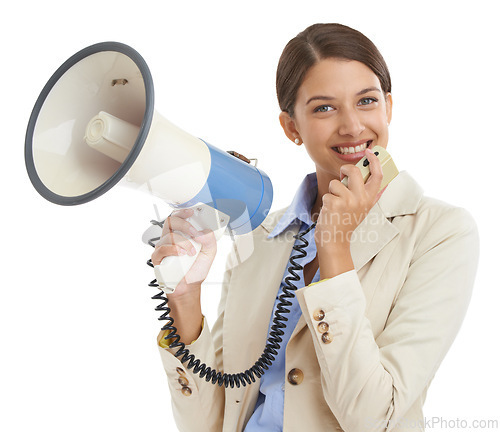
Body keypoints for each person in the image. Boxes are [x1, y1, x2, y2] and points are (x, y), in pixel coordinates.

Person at [151, 23, 479, 432]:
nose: (353, 126)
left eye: (367, 101)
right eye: (324, 107)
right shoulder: (258, 238)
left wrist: (335, 249)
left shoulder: (441, 233)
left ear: (389, 108)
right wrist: (184, 300)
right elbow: (210, 422)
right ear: (291, 127)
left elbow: (373, 418)